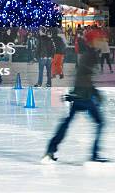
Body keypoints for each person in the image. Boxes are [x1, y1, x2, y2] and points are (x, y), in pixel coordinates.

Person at [42, 28, 109, 164]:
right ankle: (94, 155)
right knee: (100, 123)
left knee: (67, 123)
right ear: (93, 41)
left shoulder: (88, 54)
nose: (102, 41)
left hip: (80, 95)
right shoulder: (90, 55)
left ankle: (51, 149)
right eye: (99, 39)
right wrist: (90, 94)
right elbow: (83, 78)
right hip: (84, 96)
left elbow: (83, 77)